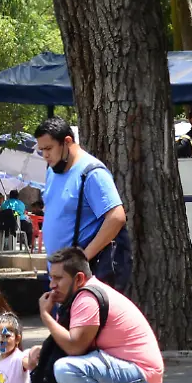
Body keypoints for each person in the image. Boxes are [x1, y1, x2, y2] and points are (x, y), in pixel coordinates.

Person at [40, 246, 165, 383]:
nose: (52, 285)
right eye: (51, 277)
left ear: (79, 278)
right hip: (130, 375)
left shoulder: (86, 298)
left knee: (66, 369)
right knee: (60, 367)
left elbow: (75, 347)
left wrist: (46, 316)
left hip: (140, 379)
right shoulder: (82, 295)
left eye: (58, 278)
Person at [34, 117, 129, 288]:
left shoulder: (92, 173)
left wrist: (83, 258)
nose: (45, 155)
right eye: (41, 150)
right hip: (58, 279)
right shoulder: (52, 170)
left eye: (48, 148)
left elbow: (116, 217)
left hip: (82, 279)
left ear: (67, 142)